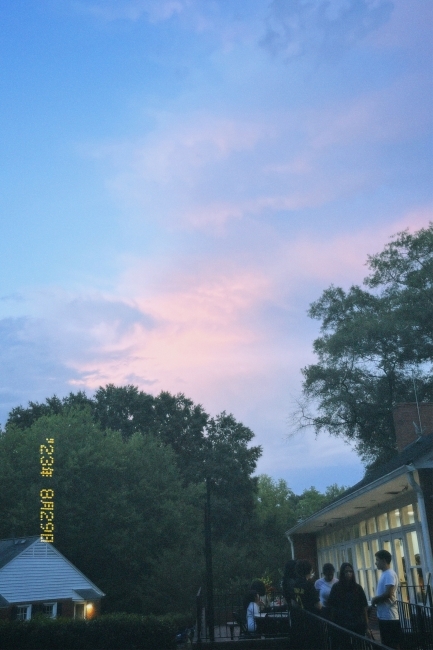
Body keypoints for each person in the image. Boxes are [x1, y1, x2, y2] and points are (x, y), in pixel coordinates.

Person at [371, 550, 402, 649]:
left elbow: (389, 593)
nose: (376, 562)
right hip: (384, 616)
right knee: (387, 643)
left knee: (392, 644)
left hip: (389, 616)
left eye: (377, 560)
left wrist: (375, 599)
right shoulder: (385, 574)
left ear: (384, 560)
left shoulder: (389, 574)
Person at [327, 562, 368, 636]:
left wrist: (367, 625)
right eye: (346, 571)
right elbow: (332, 606)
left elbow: (364, 606)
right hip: (341, 622)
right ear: (342, 573)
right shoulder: (336, 588)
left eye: (350, 571)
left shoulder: (358, 588)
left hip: (356, 621)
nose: (349, 573)